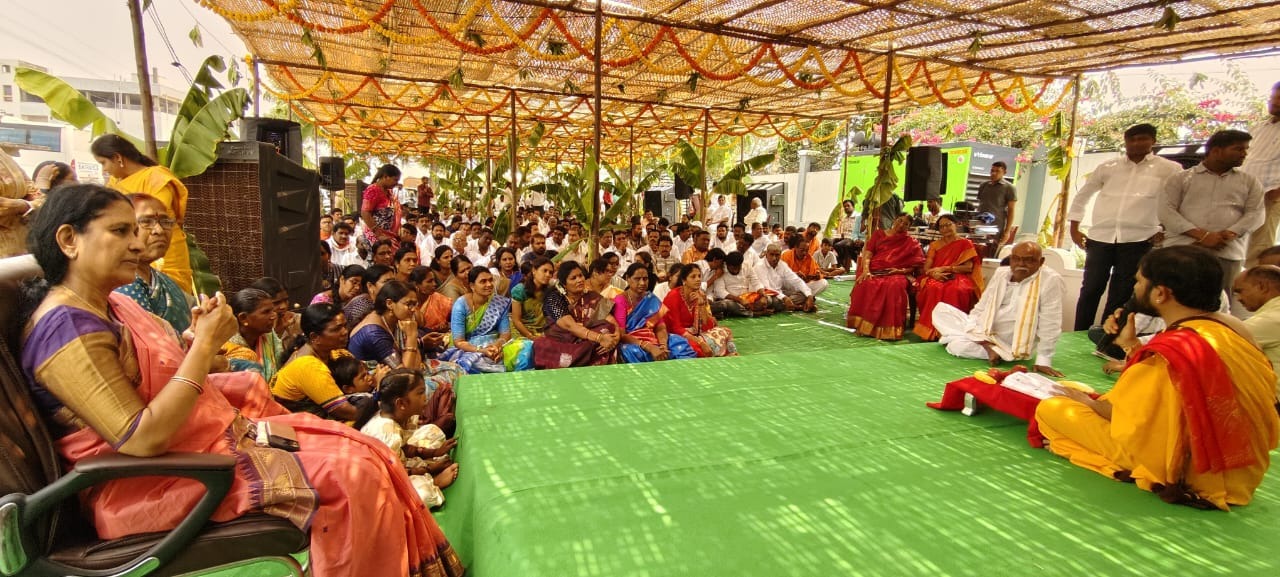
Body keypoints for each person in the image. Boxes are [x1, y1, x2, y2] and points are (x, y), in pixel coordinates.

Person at [19, 185, 463, 577]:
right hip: (152, 480)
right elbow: (142, 436)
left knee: (365, 448)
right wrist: (199, 349)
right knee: (355, 473)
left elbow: (164, 374)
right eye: (121, 232)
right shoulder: (67, 330)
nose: (138, 243)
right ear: (68, 240)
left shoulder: (109, 305)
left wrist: (199, 343)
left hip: (197, 449)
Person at [1036, 246, 1279, 511]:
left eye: (1139, 281)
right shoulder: (1234, 327)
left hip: (1189, 469)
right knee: (1071, 387)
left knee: (1053, 407)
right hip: (1245, 469)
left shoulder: (1173, 348)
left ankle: (1128, 467)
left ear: (1161, 293)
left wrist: (1086, 401)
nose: (1136, 287)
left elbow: (1119, 415)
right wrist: (1132, 347)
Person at [1069, 123, 1184, 330]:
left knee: (1121, 293)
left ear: (1153, 141)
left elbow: (1177, 203)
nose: (1137, 143)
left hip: (1139, 239)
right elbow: (1083, 195)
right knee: (1090, 289)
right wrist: (1074, 228)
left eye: (1143, 139)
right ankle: (1077, 333)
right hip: (1101, 237)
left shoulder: (1169, 169)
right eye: (1132, 139)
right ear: (1125, 142)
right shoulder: (1108, 167)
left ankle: (1106, 337)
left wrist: (1164, 230)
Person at [1161, 130, 1265, 304]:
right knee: (1173, 299)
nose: (1244, 154)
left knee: (1218, 302)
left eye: (1246, 149)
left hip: (1227, 251)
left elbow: (1256, 214)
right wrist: (1202, 236)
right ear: (1216, 151)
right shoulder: (1180, 179)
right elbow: (1166, 211)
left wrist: (1227, 235)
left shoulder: (1250, 181)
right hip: (1183, 249)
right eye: (1238, 149)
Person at [932, 241, 1064, 375]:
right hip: (984, 329)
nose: (1021, 264)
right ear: (1011, 259)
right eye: (1016, 259)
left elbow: (1051, 322)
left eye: (1028, 260)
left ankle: (989, 347)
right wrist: (973, 329)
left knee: (957, 347)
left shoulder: (1050, 280)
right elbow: (981, 306)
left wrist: (1043, 360)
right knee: (941, 310)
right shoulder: (1001, 273)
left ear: (1041, 262)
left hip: (1010, 340)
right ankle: (986, 346)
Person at [92, 134, 194, 291]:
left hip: (163, 248)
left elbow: (158, 215)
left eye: (103, 163)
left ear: (118, 158)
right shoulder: (114, 183)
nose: (104, 169)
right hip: (130, 250)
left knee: (171, 298)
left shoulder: (157, 177)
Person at [359, 369, 460, 509]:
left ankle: (429, 471)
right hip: (384, 483)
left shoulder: (396, 418)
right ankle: (435, 483)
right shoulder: (387, 434)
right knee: (421, 493)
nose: (425, 397)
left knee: (432, 431)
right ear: (401, 404)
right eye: (420, 393)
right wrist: (430, 469)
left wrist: (434, 452)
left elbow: (406, 448)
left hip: (398, 464)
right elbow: (398, 475)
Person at [113, 194, 194, 334]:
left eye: (165, 221)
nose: (159, 230)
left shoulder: (163, 281)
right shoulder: (123, 285)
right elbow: (153, 344)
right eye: (146, 222)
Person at [845, 214, 925, 340]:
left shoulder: (910, 242)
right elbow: (868, 254)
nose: (901, 224)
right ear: (894, 219)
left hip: (897, 273)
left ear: (909, 227)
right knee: (866, 284)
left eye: (906, 224)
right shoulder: (879, 234)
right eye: (900, 220)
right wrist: (866, 270)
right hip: (874, 270)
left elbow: (914, 266)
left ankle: (889, 330)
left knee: (894, 286)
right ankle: (864, 326)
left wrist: (899, 270)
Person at [913, 214, 986, 341]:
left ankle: (954, 330)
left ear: (956, 225)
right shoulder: (935, 245)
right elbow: (927, 267)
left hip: (959, 275)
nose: (945, 228)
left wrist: (946, 268)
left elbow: (968, 268)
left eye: (948, 225)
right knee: (933, 288)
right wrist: (933, 273)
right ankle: (931, 331)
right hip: (935, 275)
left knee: (957, 290)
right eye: (942, 227)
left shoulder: (965, 243)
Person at [534, 261, 620, 368]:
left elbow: (610, 320)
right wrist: (600, 338)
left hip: (589, 340)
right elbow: (570, 326)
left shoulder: (592, 296)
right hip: (562, 341)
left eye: (580, 276)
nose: (579, 280)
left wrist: (615, 337)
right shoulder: (554, 298)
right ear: (564, 284)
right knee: (542, 345)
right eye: (573, 278)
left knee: (607, 329)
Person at [439, 267, 524, 373]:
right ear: (472, 286)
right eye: (483, 281)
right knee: (471, 362)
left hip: (494, 345)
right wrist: (482, 350)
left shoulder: (499, 303)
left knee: (526, 350)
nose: (489, 284)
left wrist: (497, 346)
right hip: (469, 348)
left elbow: (505, 334)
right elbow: (459, 341)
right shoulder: (461, 305)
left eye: (490, 280)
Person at [614, 263, 698, 362]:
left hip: (653, 338)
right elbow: (621, 334)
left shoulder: (651, 299)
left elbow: (660, 326)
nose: (642, 283)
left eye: (645, 279)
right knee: (630, 351)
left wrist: (663, 345)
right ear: (628, 278)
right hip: (633, 342)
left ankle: (681, 372)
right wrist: (648, 346)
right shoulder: (621, 300)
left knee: (679, 342)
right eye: (637, 279)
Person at [662, 264, 737, 357]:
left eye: (699, 276)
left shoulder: (700, 294)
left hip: (696, 334)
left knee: (726, 331)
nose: (698, 279)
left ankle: (730, 353)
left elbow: (707, 326)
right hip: (676, 336)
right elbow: (675, 328)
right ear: (684, 280)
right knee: (695, 348)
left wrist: (701, 305)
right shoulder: (673, 296)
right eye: (693, 277)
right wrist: (700, 342)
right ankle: (714, 351)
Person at [1244, 82, 1280, 266]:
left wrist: (1277, 192)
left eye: (1279, 99)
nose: (1274, 103)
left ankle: (1259, 290)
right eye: (1273, 98)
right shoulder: (1258, 128)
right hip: (1244, 193)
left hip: (1270, 195)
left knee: (1260, 249)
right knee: (1239, 243)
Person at [1233, 265, 1280, 401]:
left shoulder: (1268, 320)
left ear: (1262, 286)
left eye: (1240, 291)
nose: (1238, 298)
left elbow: (1218, 343)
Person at [222, 288, 286, 383]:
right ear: (243, 318)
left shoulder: (268, 336)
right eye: (266, 312)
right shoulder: (226, 347)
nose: (274, 316)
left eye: (272, 311)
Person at [710, 251, 778, 317]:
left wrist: (763, 296)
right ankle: (756, 313)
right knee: (727, 305)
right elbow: (719, 291)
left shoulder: (747, 266)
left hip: (747, 299)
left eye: (738, 268)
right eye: (733, 268)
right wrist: (740, 300)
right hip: (732, 300)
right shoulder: (721, 270)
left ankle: (746, 311)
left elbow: (756, 282)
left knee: (768, 299)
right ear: (727, 264)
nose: (735, 270)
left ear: (741, 264)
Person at [755, 243, 814, 312]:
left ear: (780, 255)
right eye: (772, 255)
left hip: (780, 294)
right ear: (766, 254)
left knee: (803, 294)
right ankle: (797, 307)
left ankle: (788, 306)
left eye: (777, 255)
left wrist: (810, 296)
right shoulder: (759, 266)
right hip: (767, 294)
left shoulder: (782, 265)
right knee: (769, 301)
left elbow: (796, 280)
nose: (774, 258)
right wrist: (784, 298)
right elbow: (767, 288)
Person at [361, 164, 404, 250]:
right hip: (376, 237)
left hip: (388, 235)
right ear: (385, 177)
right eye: (395, 180)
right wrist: (378, 234)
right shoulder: (373, 190)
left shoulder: (389, 192)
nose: (396, 183)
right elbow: (365, 212)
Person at [976, 161, 1017, 246]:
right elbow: (980, 204)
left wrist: (1007, 231)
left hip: (996, 227)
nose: (993, 173)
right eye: (992, 171)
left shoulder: (1009, 188)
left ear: (1004, 173)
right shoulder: (984, 185)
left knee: (992, 251)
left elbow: (1011, 210)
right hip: (980, 225)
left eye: (997, 171)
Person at [511, 257, 553, 339]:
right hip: (522, 331)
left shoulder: (550, 290)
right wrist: (530, 336)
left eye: (550, 272)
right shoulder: (520, 290)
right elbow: (516, 320)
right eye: (544, 271)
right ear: (534, 271)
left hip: (543, 331)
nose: (548, 275)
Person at [780, 234, 828, 305]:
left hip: (802, 286)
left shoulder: (809, 258)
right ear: (795, 247)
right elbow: (779, 274)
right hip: (788, 286)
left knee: (824, 283)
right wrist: (795, 275)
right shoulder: (786, 255)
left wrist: (817, 276)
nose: (804, 253)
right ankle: (803, 297)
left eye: (806, 250)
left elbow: (817, 273)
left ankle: (798, 298)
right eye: (802, 250)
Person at [344, 264, 395, 330]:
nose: (392, 285)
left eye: (393, 281)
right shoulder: (361, 306)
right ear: (370, 286)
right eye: (386, 282)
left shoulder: (385, 303)